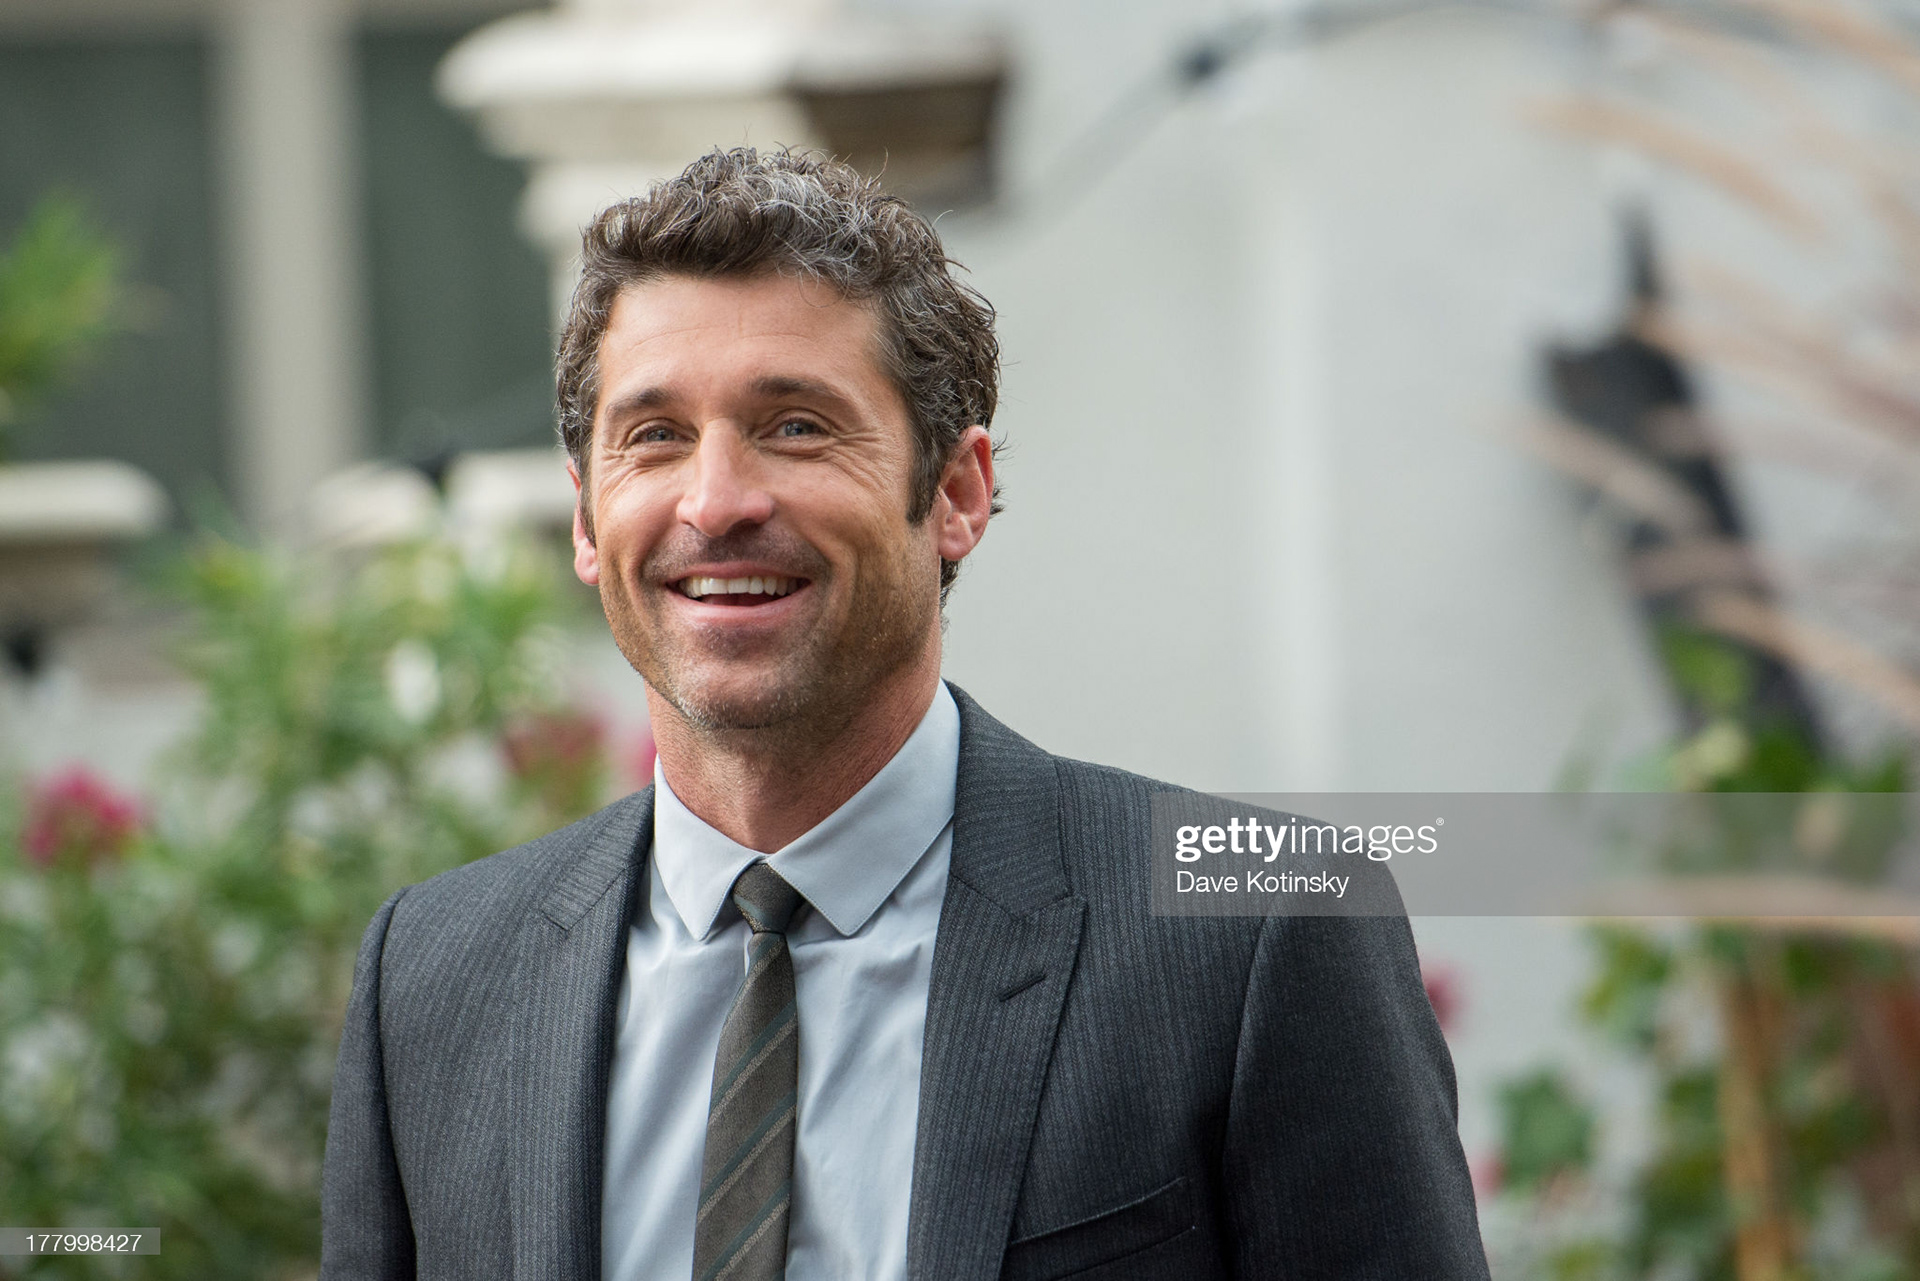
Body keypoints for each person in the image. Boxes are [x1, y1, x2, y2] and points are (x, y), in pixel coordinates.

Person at [320, 147, 1488, 1281]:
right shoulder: (432, 977)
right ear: (586, 518)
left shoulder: (1259, 939)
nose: (716, 501)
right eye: (655, 437)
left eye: (796, 425)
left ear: (958, 494)